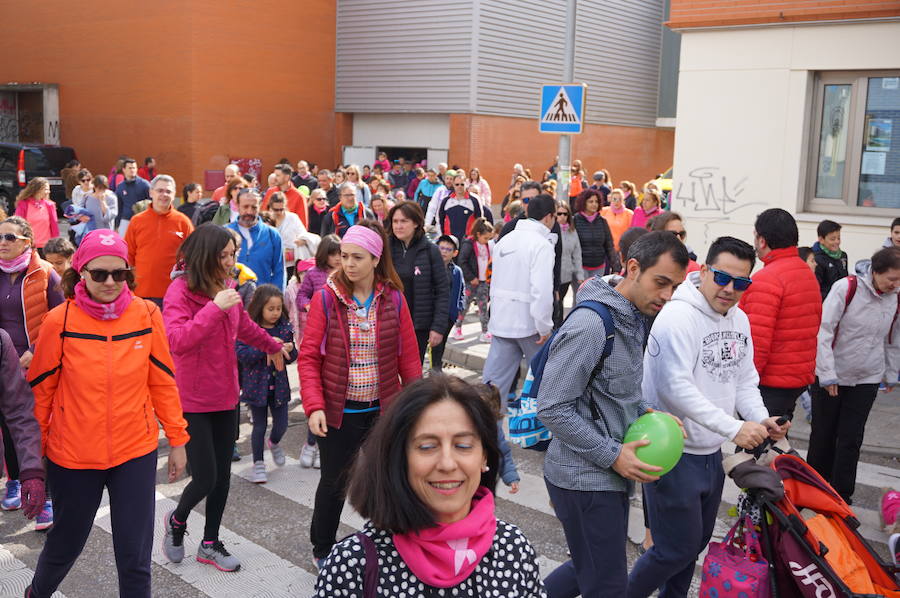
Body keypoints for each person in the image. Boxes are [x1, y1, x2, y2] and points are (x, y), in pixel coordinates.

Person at [25, 229, 188, 597]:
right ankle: (36, 593)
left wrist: (178, 439)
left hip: (134, 452)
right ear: (81, 272)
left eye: (120, 274)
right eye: (100, 274)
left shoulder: (147, 314)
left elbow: (162, 383)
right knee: (66, 542)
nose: (111, 282)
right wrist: (33, 463)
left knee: (134, 555)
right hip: (73, 456)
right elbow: (40, 395)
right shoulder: (59, 321)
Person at [628, 236, 789, 598]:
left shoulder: (740, 320)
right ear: (703, 272)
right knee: (675, 548)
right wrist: (735, 427)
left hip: (710, 454)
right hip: (672, 450)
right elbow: (675, 388)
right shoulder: (678, 316)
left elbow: (745, 381)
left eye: (742, 282)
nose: (730, 289)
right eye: (722, 277)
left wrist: (761, 420)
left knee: (693, 545)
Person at [537, 231, 689, 598]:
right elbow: (552, 407)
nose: (667, 296)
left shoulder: (634, 317)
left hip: (607, 475)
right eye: (661, 283)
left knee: (588, 567)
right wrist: (613, 454)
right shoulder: (592, 325)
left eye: (675, 287)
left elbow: (617, 390)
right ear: (633, 268)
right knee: (608, 585)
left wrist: (646, 411)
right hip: (583, 479)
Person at [314, 375, 545, 597]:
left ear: (484, 457)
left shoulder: (513, 548)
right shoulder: (353, 566)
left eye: (463, 445)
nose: (447, 463)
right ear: (399, 458)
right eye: (427, 447)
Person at [161, 223, 287, 572]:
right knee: (205, 477)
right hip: (193, 400)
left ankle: (210, 543)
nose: (232, 262)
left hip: (227, 395)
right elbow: (178, 341)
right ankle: (177, 521)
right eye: (225, 255)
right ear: (206, 257)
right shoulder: (179, 291)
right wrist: (213, 307)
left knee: (223, 477)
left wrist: (274, 345)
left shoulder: (227, 289)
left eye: (234, 255)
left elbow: (244, 327)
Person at [299, 222, 422, 567]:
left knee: (388, 479)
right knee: (335, 483)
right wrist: (314, 406)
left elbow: (409, 359)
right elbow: (309, 357)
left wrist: (416, 408)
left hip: (382, 409)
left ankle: (387, 544)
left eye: (357, 257)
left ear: (375, 259)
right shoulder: (327, 298)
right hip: (340, 412)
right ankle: (322, 549)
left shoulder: (393, 299)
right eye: (344, 257)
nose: (348, 264)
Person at [808, 246, 900, 504]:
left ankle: (841, 496)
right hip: (832, 375)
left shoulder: (896, 298)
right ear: (876, 272)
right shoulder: (847, 288)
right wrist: (827, 374)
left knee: (851, 438)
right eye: (892, 279)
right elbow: (824, 331)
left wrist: (890, 374)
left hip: (867, 377)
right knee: (823, 435)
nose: (896, 285)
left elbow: (893, 339)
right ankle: (814, 489)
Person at [0, 216, 63, 526]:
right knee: (9, 427)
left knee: (36, 428)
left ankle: (47, 496)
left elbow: (61, 319)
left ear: (27, 241)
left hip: (37, 364)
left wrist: (35, 351)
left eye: (10, 237)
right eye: (0, 237)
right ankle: (14, 480)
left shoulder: (46, 274)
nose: (3, 242)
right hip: (3, 363)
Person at [738, 208, 822, 419]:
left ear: (762, 240)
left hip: (771, 381)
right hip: (797, 376)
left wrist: (745, 384)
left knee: (757, 445)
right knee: (778, 440)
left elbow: (757, 341)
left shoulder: (766, 279)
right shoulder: (806, 273)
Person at [481, 194, 556, 403]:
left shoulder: (505, 240)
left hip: (501, 320)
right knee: (544, 385)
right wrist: (544, 327)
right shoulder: (541, 244)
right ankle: (540, 433)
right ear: (549, 217)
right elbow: (541, 291)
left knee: (493, 388)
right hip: (530, 325)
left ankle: (489, 433)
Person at [237, 284, 298, 484]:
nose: (275, 313)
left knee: (281, 425)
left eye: (278, 308)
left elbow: (292, 357)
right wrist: (267, 348)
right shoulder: (249, 330)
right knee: (259, 426)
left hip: (279, 386)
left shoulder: (285, 328)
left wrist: (289, 348)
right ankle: (258, 464)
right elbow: (242, 355)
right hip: (256, 387)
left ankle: (274, 442)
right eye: (270, 309)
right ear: (259, 307)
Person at [387, 201, 450, 362]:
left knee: (412, 376)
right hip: (388, 324)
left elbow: (442, 291)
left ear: (416, 223)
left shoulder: (431, 251)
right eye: (395, 221)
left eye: (404, 221)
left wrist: (438, 327)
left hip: (418, 326)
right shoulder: (385, 248)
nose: (398, 226)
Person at [124, 175, 194, 307]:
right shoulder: (137, 221)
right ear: (151, 192)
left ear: (174, 195)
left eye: (168, 191)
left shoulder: (183, 222)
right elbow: (128, 256)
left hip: (174, 293)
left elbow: (193, 256)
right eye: (160, 191)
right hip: (141, 292)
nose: (164, 195)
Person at [226, 189, 285, 289]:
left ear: (260, 206)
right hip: (232, 298)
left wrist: (275, 297)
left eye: (254, 207)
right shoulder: (225, 232)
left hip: (262, 299)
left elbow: (279, 272)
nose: (249, 211)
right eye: (245, 207)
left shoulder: (272, 234)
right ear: (237, 206)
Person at [474, 382, 521, 494]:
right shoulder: (458, 429)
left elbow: (503, 454)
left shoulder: (494, 431)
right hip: (464, 477)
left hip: (486, 480)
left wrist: (510, 476)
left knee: (483, 503)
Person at [456, 218, 494, 342]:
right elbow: (462, 261)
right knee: (464, 306)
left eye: (489, 238)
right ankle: (457, 328)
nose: (487, 241)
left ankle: (485, 331)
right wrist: (471, 277)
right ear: (478, 234)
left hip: (483, 282)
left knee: (483, 308)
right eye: (485, 238)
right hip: (470, 282)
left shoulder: (487, 245)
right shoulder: (469, 244)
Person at [431, 234, 465, 371]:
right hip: (432, 313)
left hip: (448, 315)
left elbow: (461, 290)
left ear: (455, 253)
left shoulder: (456, 271)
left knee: (440, 344)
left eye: (448, 249)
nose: (444, 251)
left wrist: (458, 308)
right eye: (441, 248)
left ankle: (436, 369)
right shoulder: (430, 267)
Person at [268, 191, 318, 280]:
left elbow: (303, 234)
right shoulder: (267, 219)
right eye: (276, 210)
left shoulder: (292, 218)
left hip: (292, 262)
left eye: (282, 209)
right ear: (271, 208)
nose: (279, 212)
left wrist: (302, 241)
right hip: (273, 263)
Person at [573, 188, 618, 280]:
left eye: (596, 201)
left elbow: (609, 245)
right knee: (581, 294)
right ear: (583, 202)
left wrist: (615, 266)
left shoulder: (602, 221)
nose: (594, 204)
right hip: (580, 268)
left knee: (595, 294)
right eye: (591, 201)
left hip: (599, 267)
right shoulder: (575, 220)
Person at [437, 172, 487, 240]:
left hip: (468, 240)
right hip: (450, 239)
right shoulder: (446, 201)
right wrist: (442, 235)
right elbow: (440, 219)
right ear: (453, 185)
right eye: (457, 184)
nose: (459, 186)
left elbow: (480, 220)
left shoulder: (474, 200)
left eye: (462, 184)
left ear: (466, 184)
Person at [14, 178, 60, 252]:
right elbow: (18, 225)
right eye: (46, 189)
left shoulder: (50, 205)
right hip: (28, 246)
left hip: (46, 247)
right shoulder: (24, 204)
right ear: (37, 189)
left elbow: (54, 226)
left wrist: (56, 243)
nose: (48, 192)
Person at [556, 202, 582, 325]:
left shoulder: (572, 231)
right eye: (559, 213)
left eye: (565, 214)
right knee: (554, 303)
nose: (562, 216)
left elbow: (576, 254)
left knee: (560, 301)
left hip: (566, 274)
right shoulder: (551, 231)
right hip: (552, 274)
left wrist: (580, 275)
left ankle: (558, 328)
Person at [812, 219, 849, 300]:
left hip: (842, 300)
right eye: (832, 239)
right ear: (821, 239)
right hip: (826, 302)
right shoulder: (815, 259)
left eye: (838, 238)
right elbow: (816, 288)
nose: (837, 242)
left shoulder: (843, 256)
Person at [114, 158, 151, 235]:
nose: (132, 170)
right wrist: (116, 225)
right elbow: (118, 207)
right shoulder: (120, 187)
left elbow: (152, 202)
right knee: (124, 245)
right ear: (124, 169)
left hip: (142, 221)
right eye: (130, 168)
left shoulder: (145, 185)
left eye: (134, 168)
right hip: (125, 221)